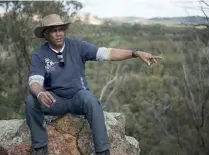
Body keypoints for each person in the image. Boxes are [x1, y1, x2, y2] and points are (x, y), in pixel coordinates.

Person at [25, 14, 162, 155]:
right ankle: (40, 149)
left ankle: (103, 151)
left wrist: (136, 53)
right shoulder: (40, 55)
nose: (59, 33)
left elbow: (107, 53)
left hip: (78, 97)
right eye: (54, 30)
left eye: (61, 29)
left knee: (91, 100)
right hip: (55, 101)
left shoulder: (77, 46)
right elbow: (34, 81)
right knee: (31, 101)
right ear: (45, 34)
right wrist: (40, 93)